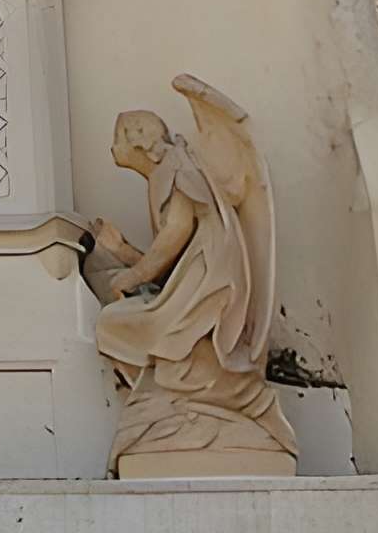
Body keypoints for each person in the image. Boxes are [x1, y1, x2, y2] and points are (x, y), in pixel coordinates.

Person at [81, 74, 297, 476]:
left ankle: (190, 405)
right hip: (195, 287)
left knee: (116, 325)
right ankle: (179, 403)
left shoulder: (174, 168)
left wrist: (130, 277)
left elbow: (177, 236)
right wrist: (124, 252)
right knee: (120, 325)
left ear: (138, 139)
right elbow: (173, 261)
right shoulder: (167, 173)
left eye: (118, 138)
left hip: (211, 290)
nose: (113, 148)